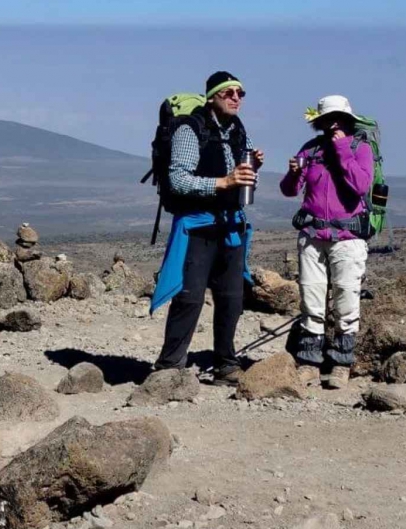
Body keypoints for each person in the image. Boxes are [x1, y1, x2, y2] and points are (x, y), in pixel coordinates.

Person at [150, 70, 263, 385]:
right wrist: (224, 182)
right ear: (212, 95)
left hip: (231, 225)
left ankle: (226, 364)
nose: (236, 98)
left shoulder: (238, 130)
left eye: (240, 93)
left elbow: (243, 177)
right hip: (198, 226)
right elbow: (179, 179)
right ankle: (170, 366)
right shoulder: (190, 129)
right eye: (229, 93)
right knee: (190, 297)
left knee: (231, 297)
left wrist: (254, 167)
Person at [280, 94, 374, 388]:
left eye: (338, 118)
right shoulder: (311, 150)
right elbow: (289, 190)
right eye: (327, 119)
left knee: (346, 299)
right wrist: (293, 174)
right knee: (312, 299)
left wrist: (342, 147)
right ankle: (309, 361)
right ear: (319, 123)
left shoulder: (361, 149)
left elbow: (360, 184)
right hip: (312, 236)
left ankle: (341, 364)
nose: (333, 124)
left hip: (347, 237)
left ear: (347, 120)